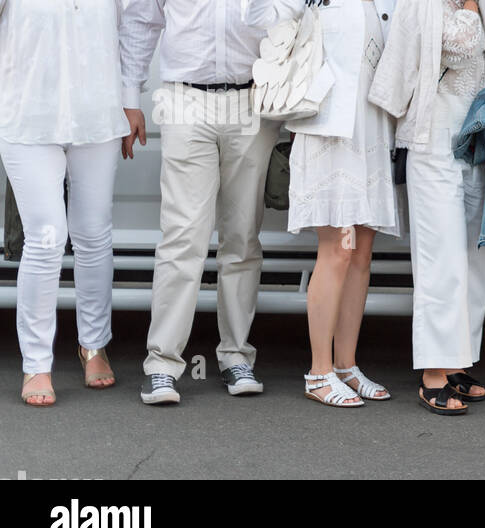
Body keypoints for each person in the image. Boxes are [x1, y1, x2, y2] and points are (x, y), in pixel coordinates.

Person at [120, 0, 284, 405]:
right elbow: (142, 20)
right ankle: (162, 364)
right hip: (184, 100)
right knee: (182, 236)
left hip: (252, 99)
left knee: (243, 237)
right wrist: (130, 96)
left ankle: (236, 356)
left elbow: (290, 15)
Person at [244, 0, 400, 408]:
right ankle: (319, 371)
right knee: (338, 250)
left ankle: (346, 365)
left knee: (361, 252)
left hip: (372, 125)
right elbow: (260, 16)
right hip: (328, 127)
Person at [370, 0, 485, 416]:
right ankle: (433, 371)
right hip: (432, 136)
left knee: (474, 257)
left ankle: (457, 361)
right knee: (440, 257)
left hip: (477, 135)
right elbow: (459, 43)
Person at [0, 0, 130, 407]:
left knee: (93, 233)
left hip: (98, 117)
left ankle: (94, 347)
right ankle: (36, 363)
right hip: (26, 118)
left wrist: (131, 99)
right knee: (45, 237)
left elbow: (133, 33)